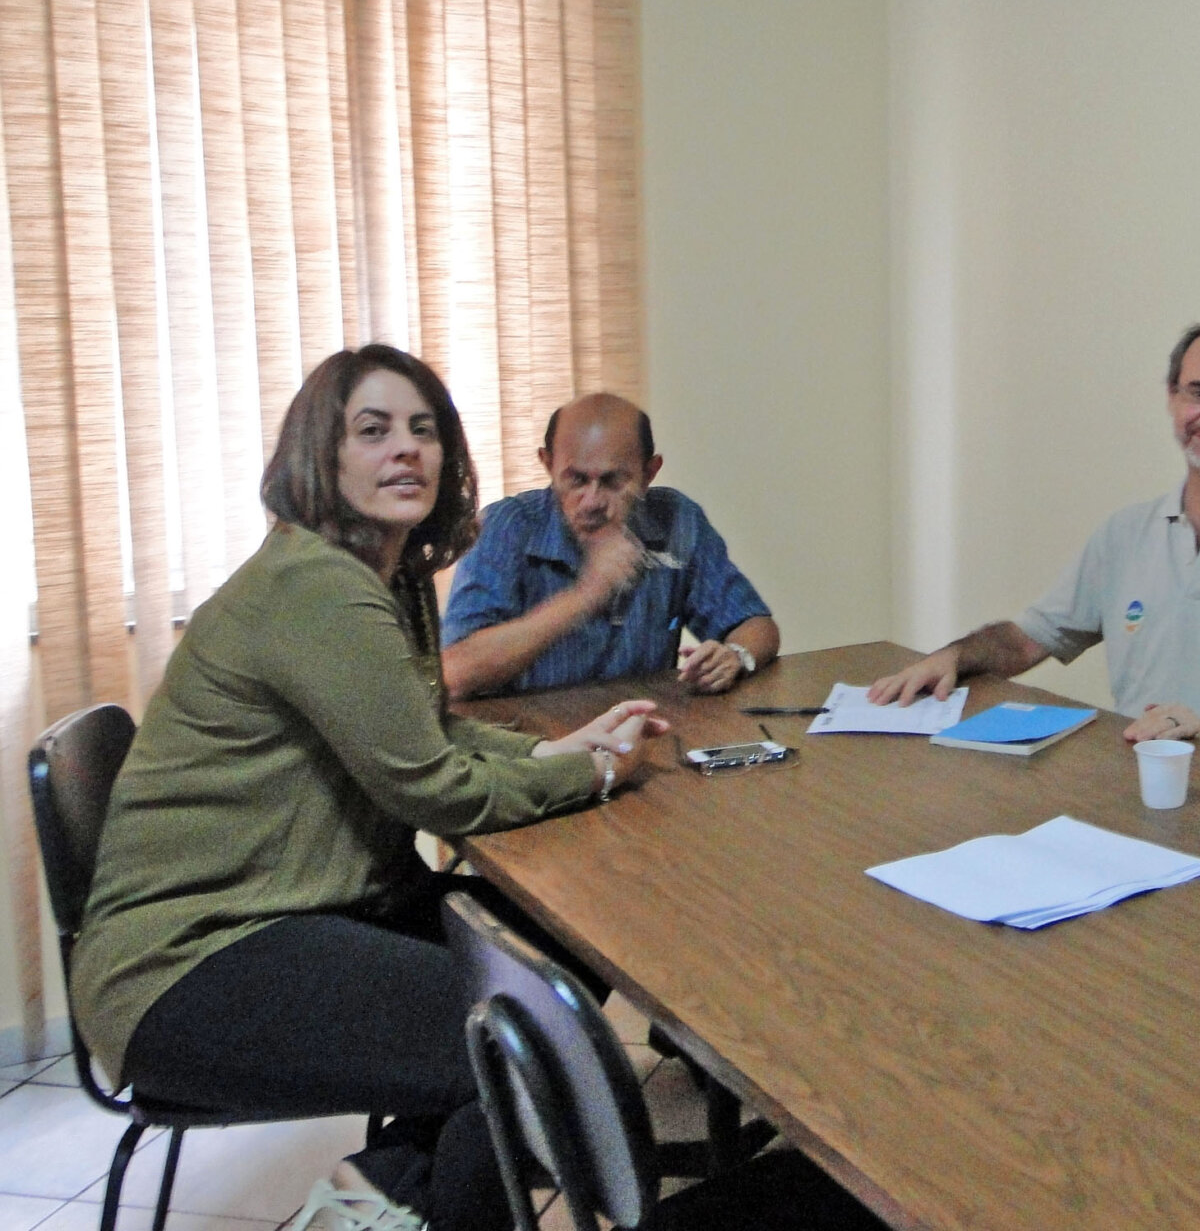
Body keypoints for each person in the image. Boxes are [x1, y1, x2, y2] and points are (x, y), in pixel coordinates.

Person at [69, 346, 670, 1231]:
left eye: (424, 430)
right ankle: (395, 1195)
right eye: (374, 430)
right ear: (325, 453)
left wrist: (552, 755)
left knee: (559, 939)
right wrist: (597, 771)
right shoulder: (316, 586)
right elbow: (436, 789)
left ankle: (380, 1192)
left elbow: (424, 728)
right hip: (190, 959)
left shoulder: (381, 580)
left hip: (303, 909)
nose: (407, 451)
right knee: (521, 1048)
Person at [870, 318, 1200, 740]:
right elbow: (1029, 639)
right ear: (1173, 400)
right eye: (1198, 393)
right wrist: (953, 657)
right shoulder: (1126, 533)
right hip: (1135, 779)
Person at [441, 393, 778, 700]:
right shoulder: (505, 528)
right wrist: (586, 594)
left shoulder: (677, 520)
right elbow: (454, 674)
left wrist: (735, 656)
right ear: (547, 464)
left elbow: (757, 626)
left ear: (649, 473)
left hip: (643, 732)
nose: (592, 501)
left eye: (613, 481)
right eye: (576, 479)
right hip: (534, 745)